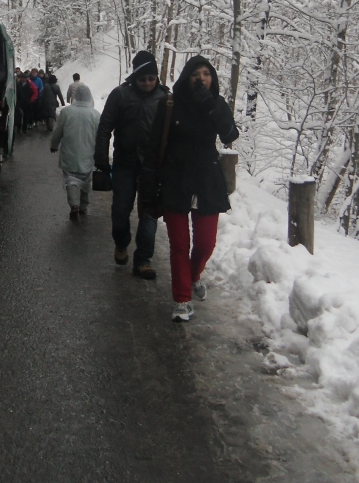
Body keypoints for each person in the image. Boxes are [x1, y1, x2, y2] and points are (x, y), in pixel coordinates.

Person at [138, 56, 239, 322]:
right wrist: (148, 181)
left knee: (206, 243)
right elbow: (154, 145)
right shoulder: (169, 104)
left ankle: (193, 276)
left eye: (206, 74)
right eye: (196, 74)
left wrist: (210, 106)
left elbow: (230, 134)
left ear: (212, 78)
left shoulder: (217, 104)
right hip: (175, 179)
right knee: (180, 245)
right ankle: (182, 300)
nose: (201, 79)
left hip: (206, 181)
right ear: (187, 77)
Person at [95, 50, 168, 279]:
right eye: (142, 79)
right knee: (120, 211)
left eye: (151, 78)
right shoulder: (120, 95)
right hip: (124, 163)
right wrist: (101, 156)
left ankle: (143, 260)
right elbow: (105, 126)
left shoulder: (166, 99)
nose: (147, 83)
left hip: (152, 168)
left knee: (149, 215)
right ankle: (121, 241)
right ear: (135, 77)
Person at [50, 82, 100, 220]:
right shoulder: (95, 115)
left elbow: (58, 131)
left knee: (70, 179)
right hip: (88, 154)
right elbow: (101, 136)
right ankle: (84, 205)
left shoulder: (66, 112)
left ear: (76, 96)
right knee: (86, 179)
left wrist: (54, 145)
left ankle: (74, 204)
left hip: (69, 153)